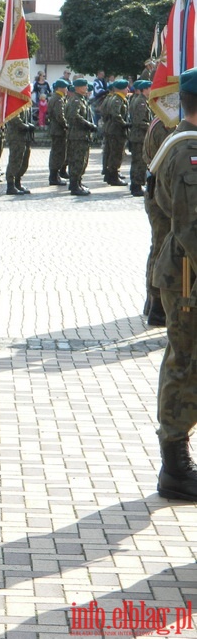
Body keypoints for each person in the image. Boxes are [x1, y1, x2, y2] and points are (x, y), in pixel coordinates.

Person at [152, 67, 197, 502]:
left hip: (189, 274)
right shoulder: (188, 152)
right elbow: (191, 225)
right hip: (188, 277)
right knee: (184, 364)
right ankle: (175, 467)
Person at [143, 115, 173, 327]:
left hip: (162, 190)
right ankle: (157, 305)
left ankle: (153, 301)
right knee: (162, 247)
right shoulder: (166, 122)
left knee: (159, 246)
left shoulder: (161, 118)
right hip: (162, 193)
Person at [65, 78, 96, 196]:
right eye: (84, 86)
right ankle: (74, 185)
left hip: (82, 135)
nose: (86, 88)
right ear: (78, 88)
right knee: (77, 161)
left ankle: (77, 182)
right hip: (77, 136)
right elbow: (73, 115)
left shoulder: (81, 99)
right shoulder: (76, 101)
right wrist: (88, 124)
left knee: (82, 161)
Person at [101, 79, 130, 186]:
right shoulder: (117, 100)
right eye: (126, 88)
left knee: (112, 153)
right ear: (121, 89)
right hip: (116, 131)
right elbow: (116, 114)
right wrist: (125, 124)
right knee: (116, 154)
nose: (128, 89)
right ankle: (113, 177)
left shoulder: (116, 98)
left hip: (113, 129)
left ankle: (110, 175)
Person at [128, 80, 152, 197]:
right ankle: (136, 186)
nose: (151, 90)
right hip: (139, 137)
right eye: (150, 88)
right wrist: (151, 126)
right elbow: (140, 121)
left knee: (137, 161)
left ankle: (135, 185)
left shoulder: (142, 101)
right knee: (139, 162)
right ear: (145, 89)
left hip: (138, 136)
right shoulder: (141, 102)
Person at [4, 106, 35, 195]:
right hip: (16, 137)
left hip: (24, 136)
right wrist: (24, 126)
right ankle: (10, 185)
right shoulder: (16, 102)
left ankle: (17, 183)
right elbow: (14, 117)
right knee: (15, 160)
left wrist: (27, 125)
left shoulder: (24, 102)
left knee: (23, 161)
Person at [47, 80, 69, 186]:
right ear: (60, 88)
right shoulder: (58, 99)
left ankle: (55, 175)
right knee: (58, 153)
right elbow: (60, 116)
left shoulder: (56, 97)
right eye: (65, 87)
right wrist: (66, 125)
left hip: (56, 129)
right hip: (58, 130)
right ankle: (54, 177)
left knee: (57, 152)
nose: (66, 90)